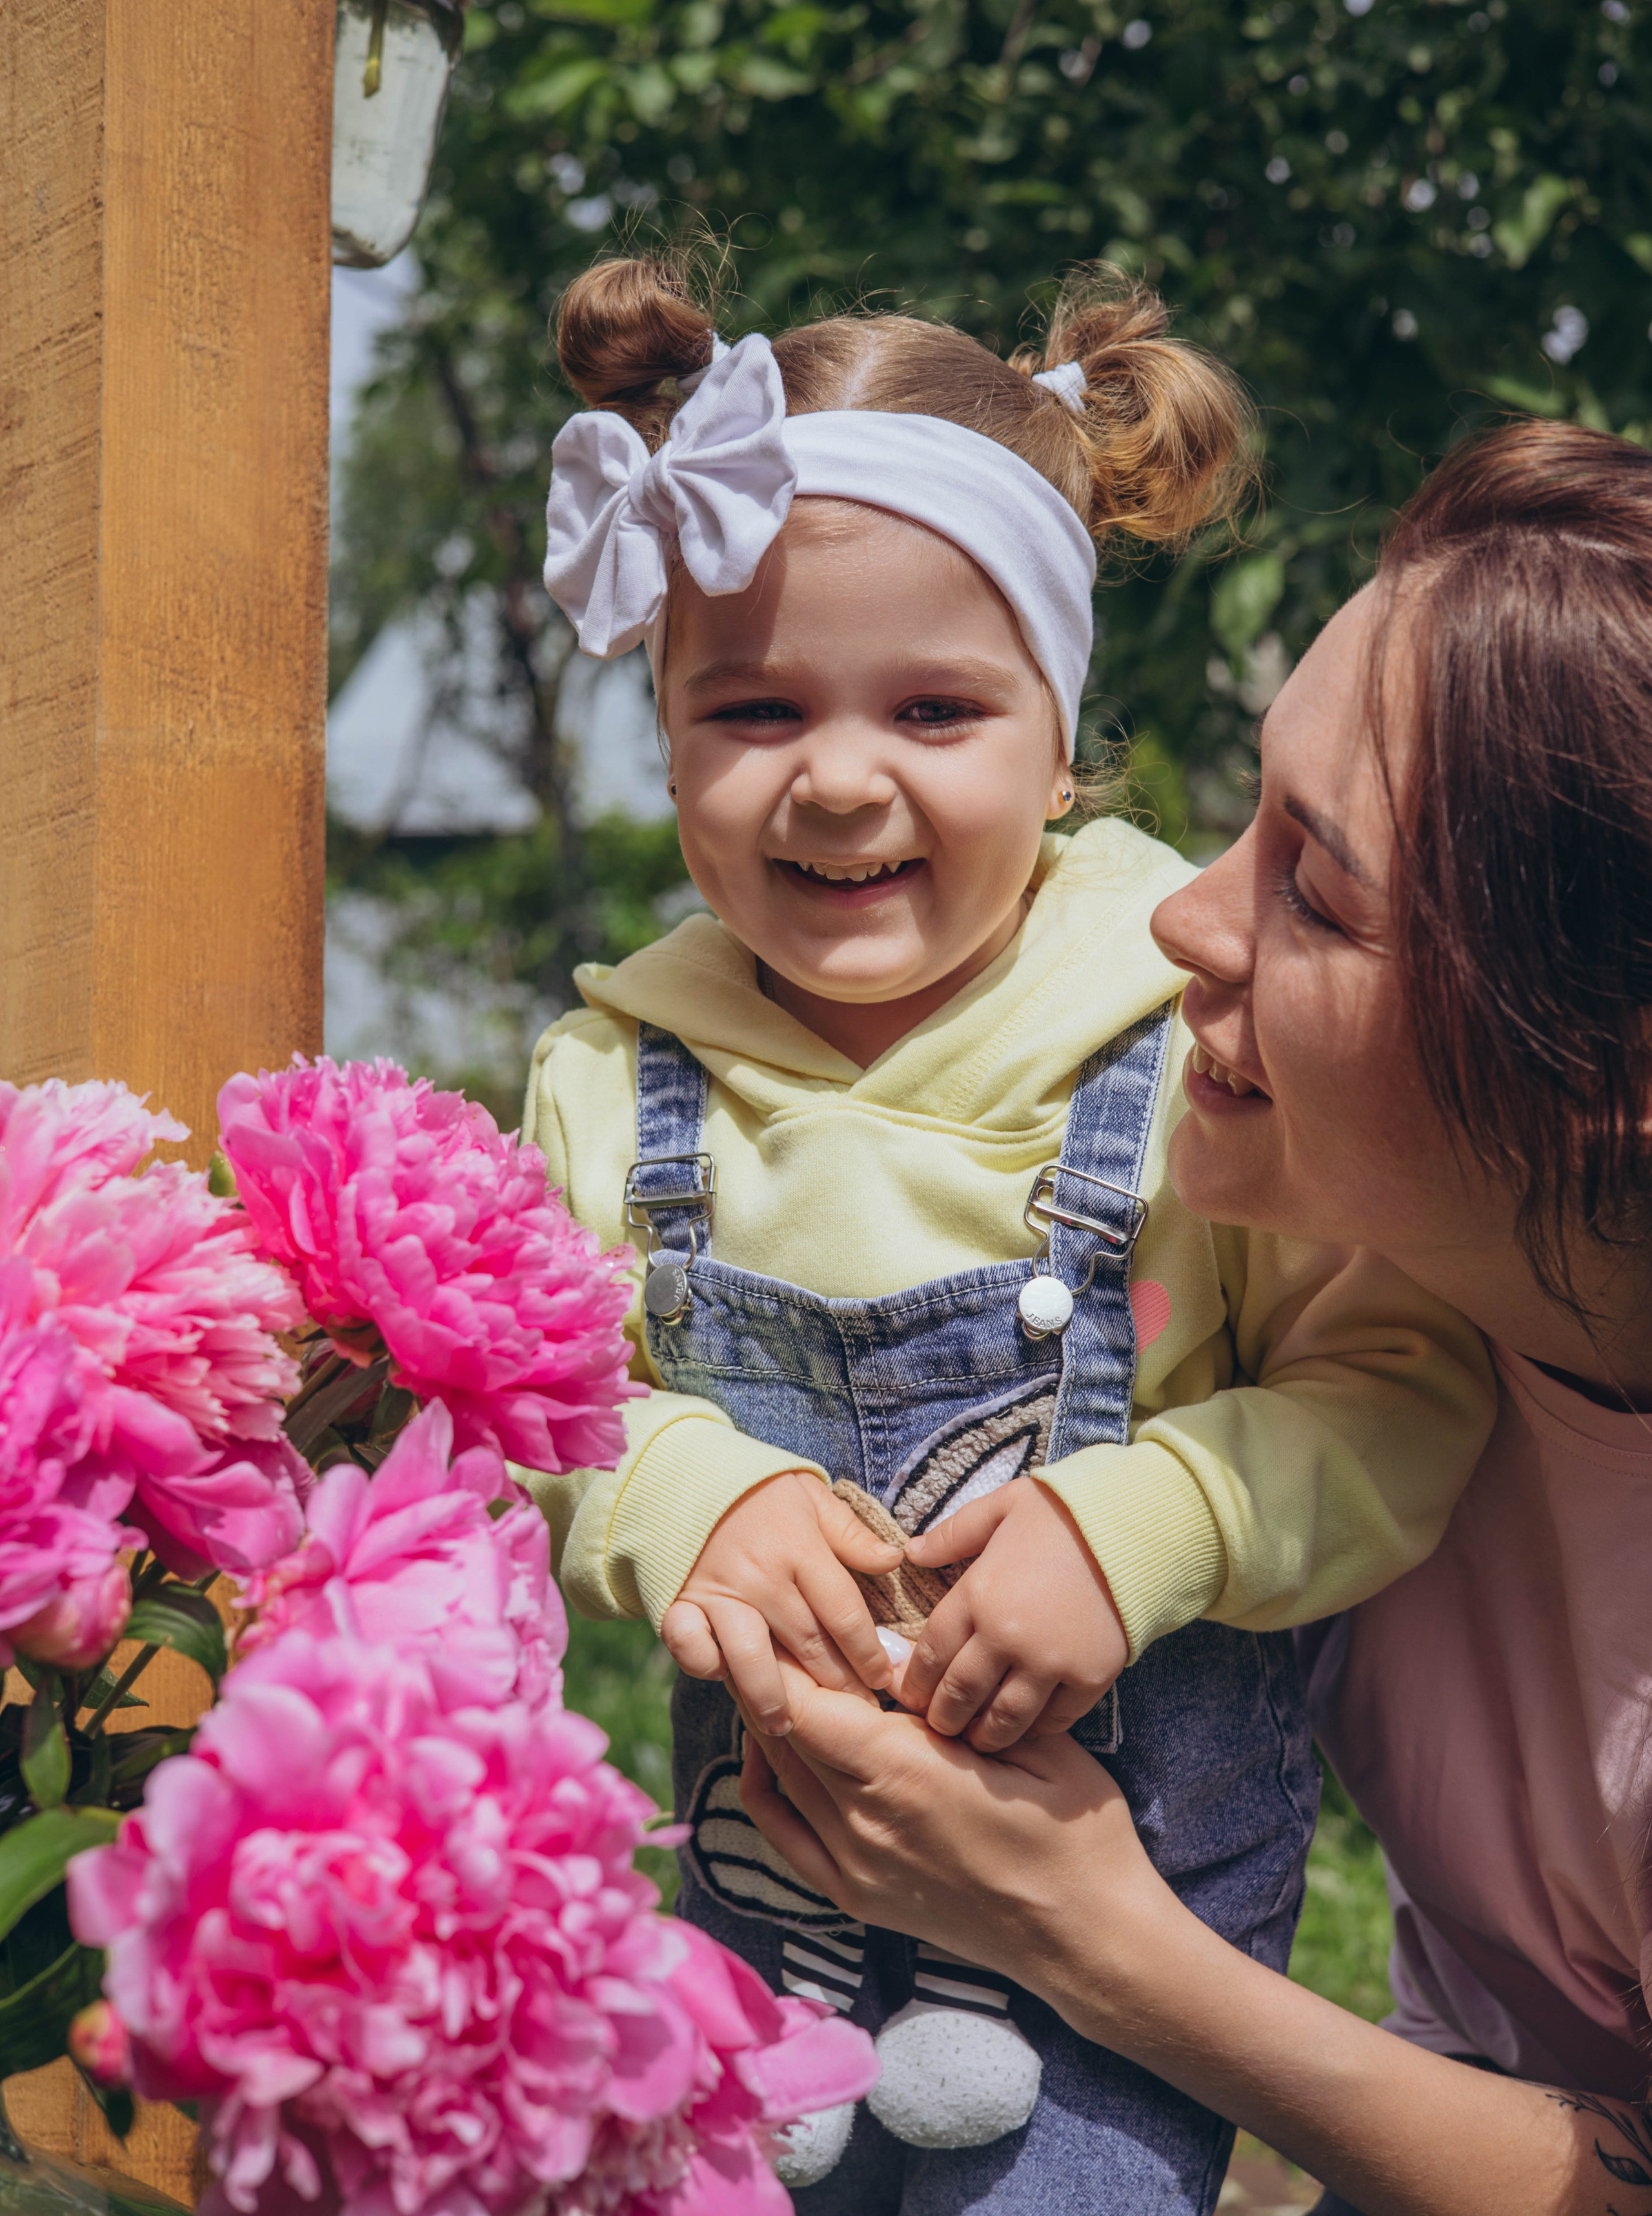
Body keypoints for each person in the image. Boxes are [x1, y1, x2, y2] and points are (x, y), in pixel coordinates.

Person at [520, 252, 1493, 2214]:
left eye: (939, 708)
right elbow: (529, 1408)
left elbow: (1402, 1388)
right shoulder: (618, 1075)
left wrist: (1138, 1522)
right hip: (758, 1909)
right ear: (670, 733)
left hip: (1124, 1968)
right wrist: (685, 1483)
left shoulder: (1185, 1041)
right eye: (755, 706)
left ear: (1060, 739)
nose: (842, 776)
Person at [737, 418, 1652, 2216]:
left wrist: (1091, 1940)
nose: (1182, 918)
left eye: (1316, 889)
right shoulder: (1346, 1307)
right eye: (1251, 814)